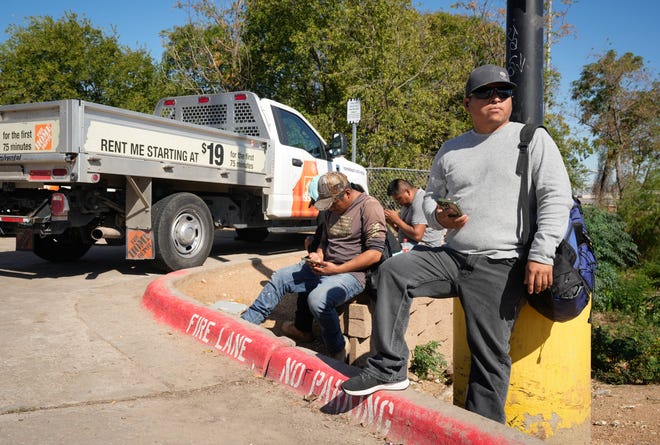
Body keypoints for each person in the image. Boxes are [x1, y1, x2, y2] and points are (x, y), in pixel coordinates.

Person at [341, 64, 573, 423]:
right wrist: (439, 218)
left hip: (503, 263)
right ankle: (389, 368)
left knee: (488, 356)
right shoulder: (452, 150)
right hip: (452, 256)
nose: (495, 98)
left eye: (503, 92)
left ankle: (479, 431)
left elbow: (556, 198)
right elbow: (431, 199)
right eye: (485, 93)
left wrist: (542, 254)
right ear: (468, 103)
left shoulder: (531, 138)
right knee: (393, 270)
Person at [241, 171, 387, 362]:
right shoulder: (330, 210)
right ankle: (247, 323)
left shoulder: (369, 207)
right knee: (280, 277)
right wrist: (318, 255)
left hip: (351, 274)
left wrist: (336, 269)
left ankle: (337, 348)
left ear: (348, 193)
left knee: (317, 300)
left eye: (334, 203)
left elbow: (375, 254)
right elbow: (325, 242)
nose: (332, 208)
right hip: (326, 267)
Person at [384, 179, 444, 248]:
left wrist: (397, 220)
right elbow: (405, 232)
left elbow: (417, 235)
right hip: (410, 244)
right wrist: (392, 222)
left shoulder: (420, 201)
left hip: (426, 248)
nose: (398, 202)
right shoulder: (406, 203)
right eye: (396, 200)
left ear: (408, 192)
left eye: (399, 199)